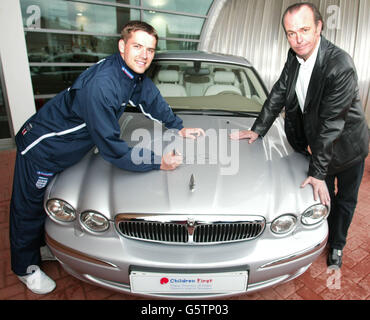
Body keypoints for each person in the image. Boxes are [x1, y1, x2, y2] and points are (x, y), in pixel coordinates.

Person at [10, 20, 205, 294]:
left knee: (45, 204)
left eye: (150, 49)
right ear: (122, 46)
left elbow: (149, 97)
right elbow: (113, 149)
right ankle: (24, 268)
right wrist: (158, 161)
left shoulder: (128, 73)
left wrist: (177, 125)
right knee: (28, 208)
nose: (144, 55)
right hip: (43, 149)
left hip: (69, 147)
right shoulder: (103, 86)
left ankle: (43, 244)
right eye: (137, 46)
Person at [230, 3, 368, 269]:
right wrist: (258, 129)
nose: (298, 38)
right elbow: (279, 92)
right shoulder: (295, 55)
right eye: (291, 33)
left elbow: (331, 124)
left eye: (304, 30)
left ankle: (337, 244)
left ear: (319, 27)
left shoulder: (339, 65)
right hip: (320, 145)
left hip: (348, 148)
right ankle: (322, 233)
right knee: (320, 200)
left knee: (345, 200)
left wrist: (317, 172)